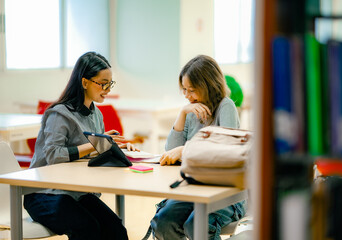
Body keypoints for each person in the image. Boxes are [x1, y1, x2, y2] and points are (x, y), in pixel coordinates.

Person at [24, 52, 136, 240]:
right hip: (43, 193)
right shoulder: (59, 114)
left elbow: (95, 155)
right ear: (85, 83)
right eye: (103, 83)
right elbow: (54, 155)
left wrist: (116, 149)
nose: (107, 89)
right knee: (88, 229)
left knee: (117, 230)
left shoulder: (96, 114)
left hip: (74, 192)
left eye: (110, 83)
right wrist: (96, 144)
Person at [149, 55, 247, 240]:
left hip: (226, 192)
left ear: (208, 86)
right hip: (194, 188)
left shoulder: (226, 107)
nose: (187, 96)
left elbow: (225, 152)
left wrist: (186, 150)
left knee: (197, 225)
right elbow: (171, 151)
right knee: (163, 222)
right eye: (184, 90)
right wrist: (182, 113)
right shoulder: (192, 110)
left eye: (191, 90)